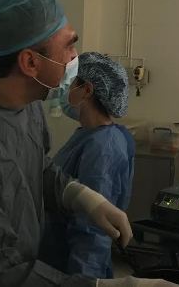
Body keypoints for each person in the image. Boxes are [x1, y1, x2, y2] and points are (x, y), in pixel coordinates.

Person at [0, 0, 174, 287]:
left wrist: (80, 196)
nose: (75, 57)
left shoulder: (26, 96)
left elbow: (32, 163)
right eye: (69, 46)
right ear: (30, 63)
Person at [41, 52, 135, 278]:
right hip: (56, 257)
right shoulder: (88, 134)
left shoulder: (104, 146)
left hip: (74, 265)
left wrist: (84, 279)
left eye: (69, 81)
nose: (62, 87)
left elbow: (93, 229)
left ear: (86, 90)